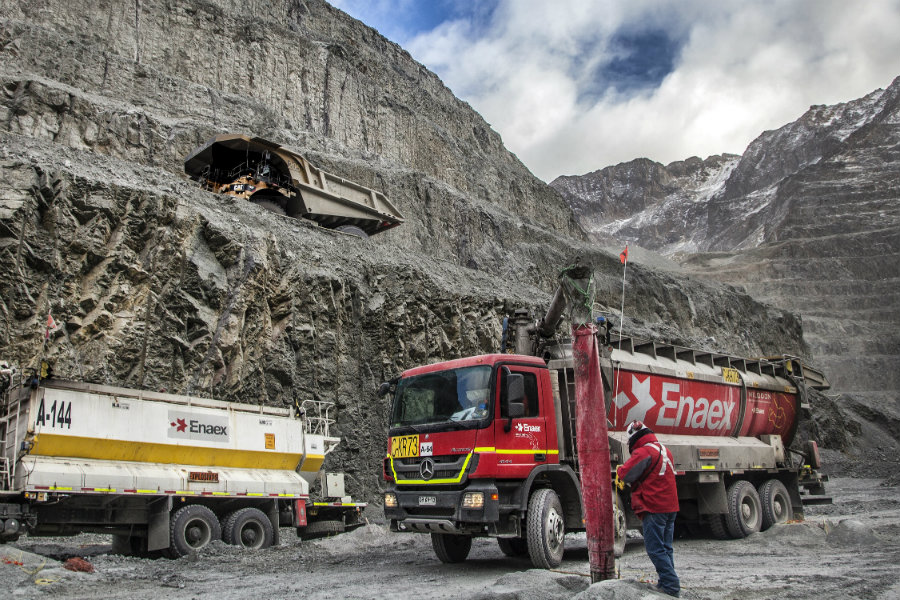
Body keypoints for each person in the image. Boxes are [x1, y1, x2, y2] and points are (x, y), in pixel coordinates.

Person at [616, 420, 681, 597]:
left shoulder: (644, 451)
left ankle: (670, 584)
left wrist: (620, 469)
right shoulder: (664, 449)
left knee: (655, 548)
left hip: (654, 507)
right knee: (666, 547)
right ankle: (667, 582)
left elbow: (626, 474)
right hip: (670, 507)